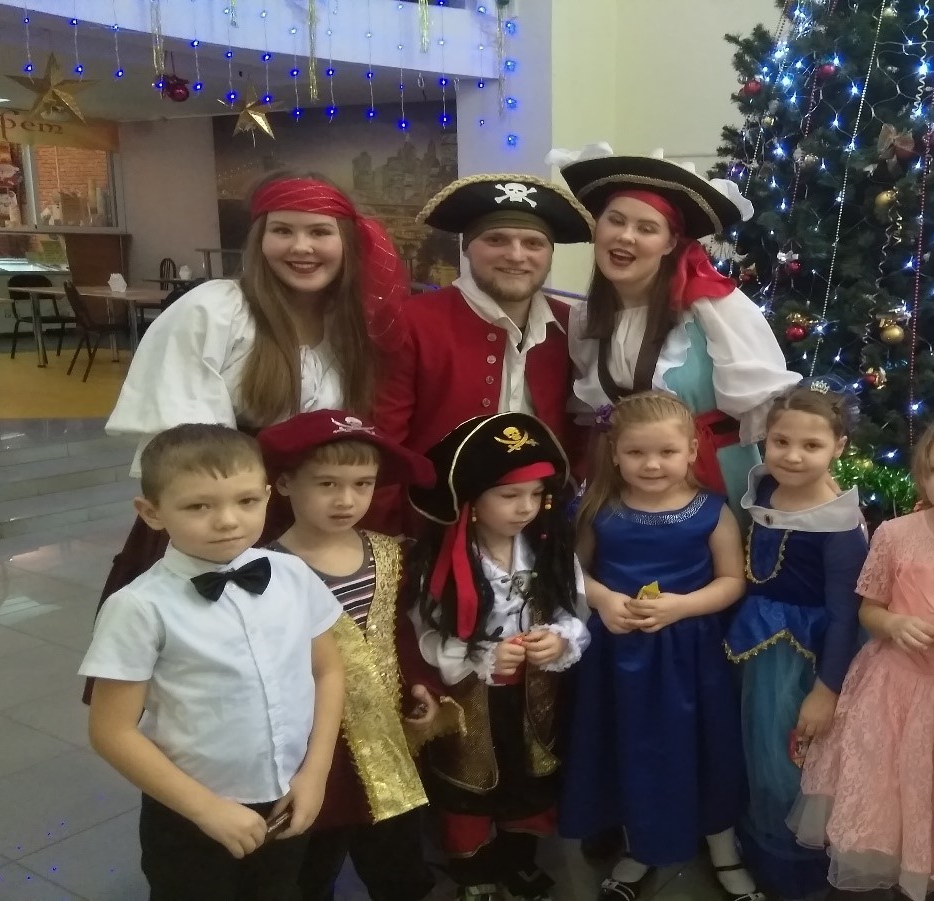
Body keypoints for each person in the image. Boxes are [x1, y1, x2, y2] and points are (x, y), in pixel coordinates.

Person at [100, 172, 409, 598]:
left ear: (347, 243)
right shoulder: (215, 310)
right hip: (221, 519)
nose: (300, 246)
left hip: (310, 521)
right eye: (282, 231)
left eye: (319, 232)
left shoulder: (350, 328)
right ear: (260, 240)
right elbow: (184, 449)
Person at [80, 424, 345, 901]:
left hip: (288, 791)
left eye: (246, 501)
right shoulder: (138, 607)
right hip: (189, 810)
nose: (227, 521)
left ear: (268, 496)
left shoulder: (292, 574)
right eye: (198, 506)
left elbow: (326, 670)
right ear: (151, 512)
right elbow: (111, 732)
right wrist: (206, 809)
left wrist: (316, 771)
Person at [790, 412, 934, 899]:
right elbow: (870, 609)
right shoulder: (894, 534)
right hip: (890, 693)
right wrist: (894, 624)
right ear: (923, 474)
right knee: (884, 796)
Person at [559, 391, 758, 901]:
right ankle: (641, 846)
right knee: (633, 749)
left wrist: (681, 607)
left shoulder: (711, 511)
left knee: (706, 748)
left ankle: (724, 849)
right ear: (614, 453)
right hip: (619, 657)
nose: (651, 465)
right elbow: (574, 571)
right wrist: (604, 598)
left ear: (691, 451)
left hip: (691, 658)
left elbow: (732, 581)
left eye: (667, 452)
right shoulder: (599, 509)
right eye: (636, 453)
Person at [397, 411, 590, 901]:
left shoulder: (549, 551)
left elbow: (573, 609)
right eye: (509, 495)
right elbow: (425, 637)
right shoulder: (436, 564)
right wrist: (480, 656)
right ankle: (474, 871)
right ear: (472, 501)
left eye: (536, 494)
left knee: (530, 777)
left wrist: (561, 640)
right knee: (470, 784)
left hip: (535, 697)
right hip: (471, 700)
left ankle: (518, 860)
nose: (526, 508)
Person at [552, 144, 799, 514]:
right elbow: (589, 419)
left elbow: (774, 415)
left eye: (646, 228)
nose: (626, 236)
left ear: (670, 242)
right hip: (626, 490)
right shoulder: (585, 320)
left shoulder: (714, 306)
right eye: (615, 221)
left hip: (715, 483)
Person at [257, 411, 439, 901]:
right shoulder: (263, 570)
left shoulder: (388, 553)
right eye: (327, 484)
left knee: (398, 862)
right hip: (311, 748)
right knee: (308, 867)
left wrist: (421, 684)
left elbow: (400, 633)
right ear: (285, 483)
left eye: (363, 484)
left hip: (387, 738)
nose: (346, 500)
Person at [371, 173, 595, 532]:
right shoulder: (412, 321)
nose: (516, 255)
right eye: (496, 239)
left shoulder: (573, 326)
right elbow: (384, 442)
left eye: (533, 243)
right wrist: (389, 533)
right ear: (466, 247)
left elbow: (582, 435)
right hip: (434, 528)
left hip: (540, 525)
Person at [724, 381, 869, 900]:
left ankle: (794, 872)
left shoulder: (839, 527)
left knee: (791, 763)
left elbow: (845, 615)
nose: (792, 455)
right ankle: (755, 848)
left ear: (839, 447)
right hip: (756, 644)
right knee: (755, 750)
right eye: (780, 441)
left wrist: (826, 690)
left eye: (812, 445)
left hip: (803, 659)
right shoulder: (765, 488)